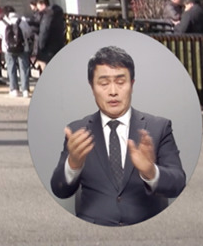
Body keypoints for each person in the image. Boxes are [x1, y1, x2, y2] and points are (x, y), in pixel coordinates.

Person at [49, 45, 187, 226]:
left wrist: (151, 172)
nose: (113, 91)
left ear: (132, 84)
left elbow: (178, 183)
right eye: (104, 83)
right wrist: (72, 165)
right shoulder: (78, 131)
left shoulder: (158, 128)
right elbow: (60, 189)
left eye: (120, 82)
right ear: (92, 87)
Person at [0, 5, 33, 97]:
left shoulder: (2, 22)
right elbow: (28, 33)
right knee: (24, 69)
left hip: (8, 48)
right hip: (23, 47)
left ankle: (14, 89)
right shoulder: (22, 21)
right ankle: (25, 90)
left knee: (11, 68)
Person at [33, 0, 67, 70]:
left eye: (38, 6)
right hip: (58, 44)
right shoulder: (57, 13)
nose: (38, 9)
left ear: (42, 5)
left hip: (48, 48)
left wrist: (40, 46)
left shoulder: (47, 15)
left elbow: (44, 31)